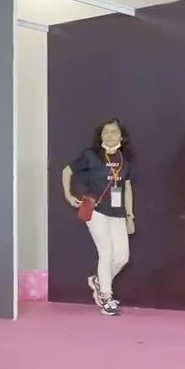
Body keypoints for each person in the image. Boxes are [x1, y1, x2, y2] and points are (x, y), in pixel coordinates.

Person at [62, 118, 136, 317]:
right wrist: (68, 195)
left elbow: (127, 188)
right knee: (106, 252)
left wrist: (130, 216)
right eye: (105, 132)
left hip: (117, 213)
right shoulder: (91, 155)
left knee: (122, 257)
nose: (109, 135)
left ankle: (98, 280)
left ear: (121, 136)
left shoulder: (125, 160)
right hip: (95, 210)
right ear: (100, 135)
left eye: (114, 131)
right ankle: (106, 297)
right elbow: (67, 171)